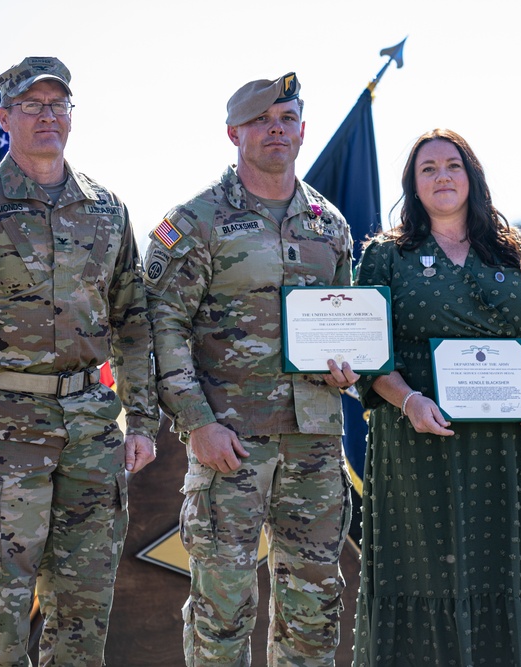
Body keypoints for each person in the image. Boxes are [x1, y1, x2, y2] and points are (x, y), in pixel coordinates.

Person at [0, 56, 157, 666]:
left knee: (84, 609)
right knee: (2, 607)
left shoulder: (107, 209)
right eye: (32, 106)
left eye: (58, 105)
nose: (48, 116)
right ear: (6, 116)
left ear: (72, 116)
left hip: (91, 430)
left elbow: (132, 321)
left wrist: (142, 421)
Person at [144, 72, 358, 666]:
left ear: (302, 130)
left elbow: (347, 323)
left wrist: (351, 370)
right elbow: (164, 330)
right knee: (223, 606)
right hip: (230, 442)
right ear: (233, 132)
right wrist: (198, 423)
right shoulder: (195, 222)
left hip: (314, 441)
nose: (276, 130)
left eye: (287, 118)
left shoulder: (328, 222)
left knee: (315, 605)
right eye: (261, 121)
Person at [351, 128, 521, 666]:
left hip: (506, 445)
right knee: (421, 568)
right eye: (428, 169)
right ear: (413, 184)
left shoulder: (517, 249)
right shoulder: (386, 255)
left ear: (471, 175)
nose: (442, 176)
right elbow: (369, 349)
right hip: (415, 438)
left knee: (503, 564)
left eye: (452, 165)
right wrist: (408, 402)